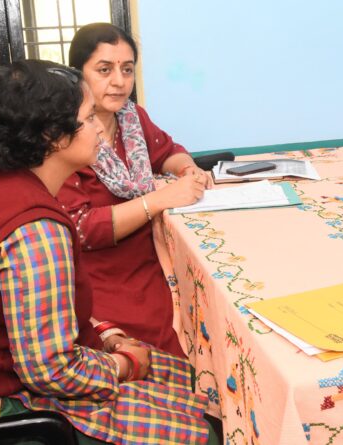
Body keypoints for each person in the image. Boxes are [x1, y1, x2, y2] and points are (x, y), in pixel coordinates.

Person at [0, 60, 211, 444]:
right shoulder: (34, 228)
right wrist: (120, 365)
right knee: (203, 427)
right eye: (88, 118)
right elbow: (49, 371)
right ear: (53, 136)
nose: (100, 128)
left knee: (191, 382)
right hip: (2, 403)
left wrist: (105, 332)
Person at [57, 23, 211, 357]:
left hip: (150, 262)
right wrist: (157, 200)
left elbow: (167, 151)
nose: (119, 81)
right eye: (104, 70)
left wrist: (188, 169)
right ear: (78, 75)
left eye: (127, 70)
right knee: (152, 355)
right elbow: (81, 228)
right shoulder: (66, 135)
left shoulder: (131, 118)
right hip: (100, 275)